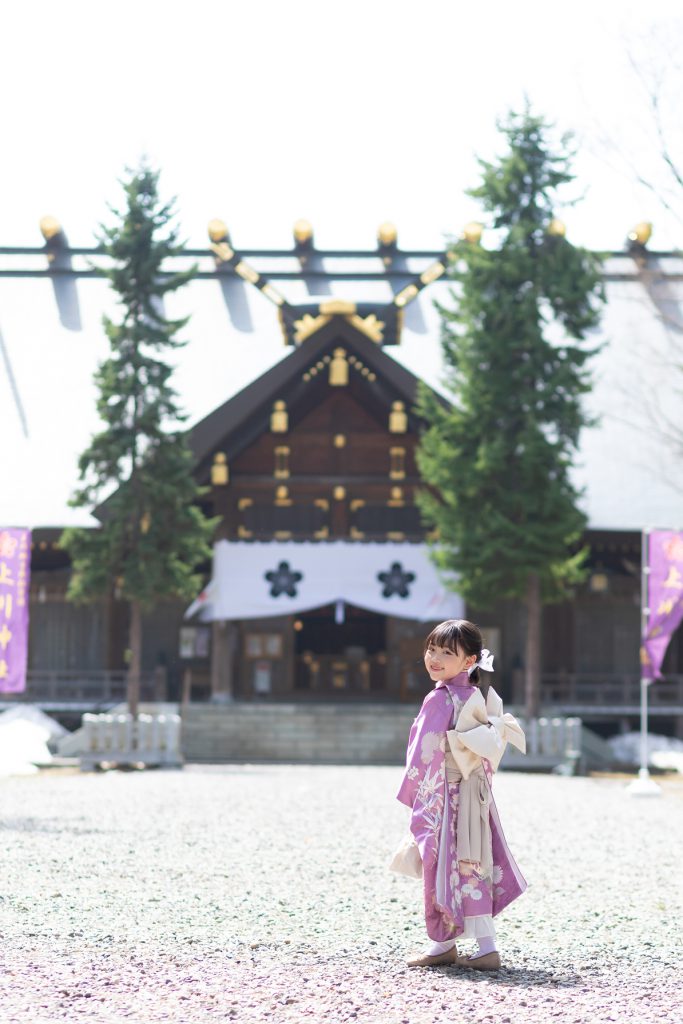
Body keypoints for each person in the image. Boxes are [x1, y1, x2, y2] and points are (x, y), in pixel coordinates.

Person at [394, 619, 527, 970]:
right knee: (473, 862)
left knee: (444, 864)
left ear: (469, 660)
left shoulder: (439, 699)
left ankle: (447, 944)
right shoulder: (475, 696)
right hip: (474, 791)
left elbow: (423, 752)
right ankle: (480, 946)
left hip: (447, 794)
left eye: (446, 653)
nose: (434, 658)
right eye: (431, 650)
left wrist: (417, 794)